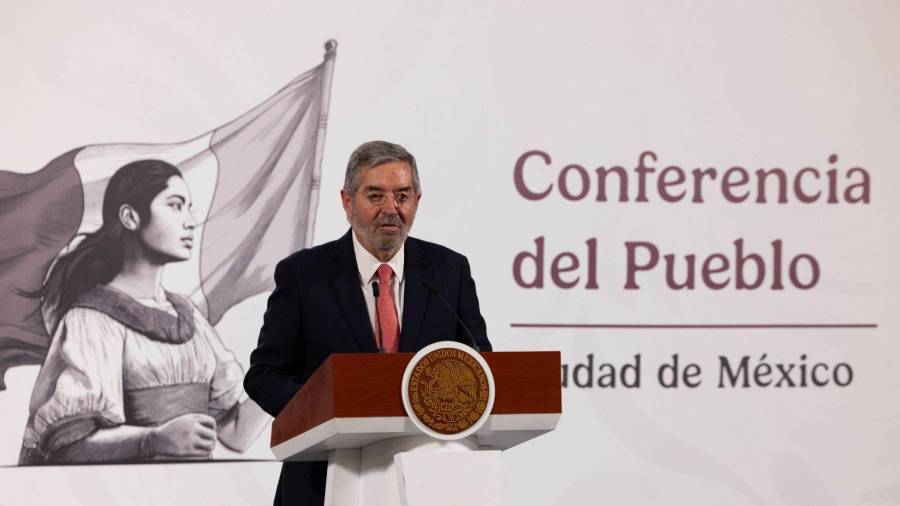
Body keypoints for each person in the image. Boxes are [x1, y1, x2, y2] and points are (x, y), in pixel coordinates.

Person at [244, 140, 492, 505]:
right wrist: (328, 408)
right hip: (324, 479)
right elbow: (264, 376)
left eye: (403, 196)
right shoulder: (303, 274)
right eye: (376, 196)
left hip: (428, 480)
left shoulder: (449, 271)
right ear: (347, 202)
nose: (391, 209)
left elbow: (479, 364)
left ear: (417, 202)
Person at [19, 159, 268, 464]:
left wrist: (295, 369)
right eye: (175, 206)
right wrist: (154, 440)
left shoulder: (187, 315)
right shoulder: (92, 319)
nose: (190, 221)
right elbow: (68, 445)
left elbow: (235, 432)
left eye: (189, 208)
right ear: (130, 217)